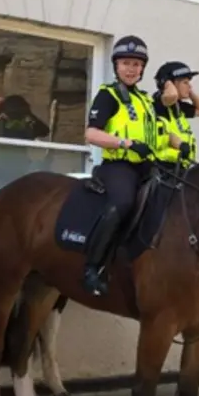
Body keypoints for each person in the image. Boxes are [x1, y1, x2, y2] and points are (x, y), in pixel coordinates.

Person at [83, 35, 158, 296]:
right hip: (118, 167)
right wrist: (125, 143)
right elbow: (91, 134)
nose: (131, 69)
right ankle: (93, 267)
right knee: (123, 203)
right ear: (116, 66)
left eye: (137, 65)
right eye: (126, 63)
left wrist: (175, 146)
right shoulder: (108, 95)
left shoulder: (146, 101)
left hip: (147, 167)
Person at [152, 60, 199, 174]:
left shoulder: (179, 106)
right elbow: (171, 95)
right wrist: (166, 83)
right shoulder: (160, 102)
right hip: (163, 167)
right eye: (185, 82)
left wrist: (189, 91)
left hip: (180, 165)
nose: (190, 86)